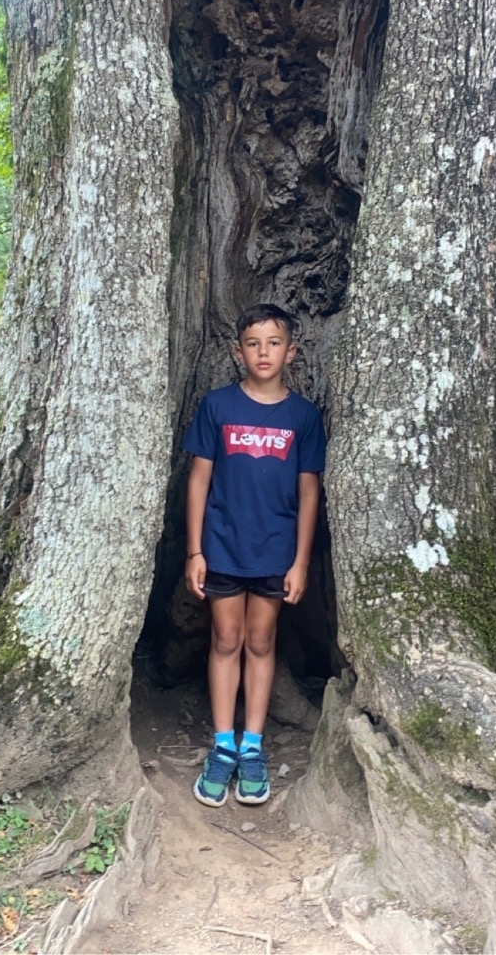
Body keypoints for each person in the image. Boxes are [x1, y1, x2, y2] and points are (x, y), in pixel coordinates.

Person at [183, 303, 327, 807]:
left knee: (262, 642)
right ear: (237, 351)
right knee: (226, 639)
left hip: (276, 552)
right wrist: (195, 551)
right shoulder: (218, 406)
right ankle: (223, 744)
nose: (263, 352)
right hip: (222, 546)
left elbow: (309, 491)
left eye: (273, 342)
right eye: (253, 343)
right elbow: (198, 479)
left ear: (292, 351)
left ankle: (252, 746)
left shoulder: (302, 416)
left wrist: (301, 561)